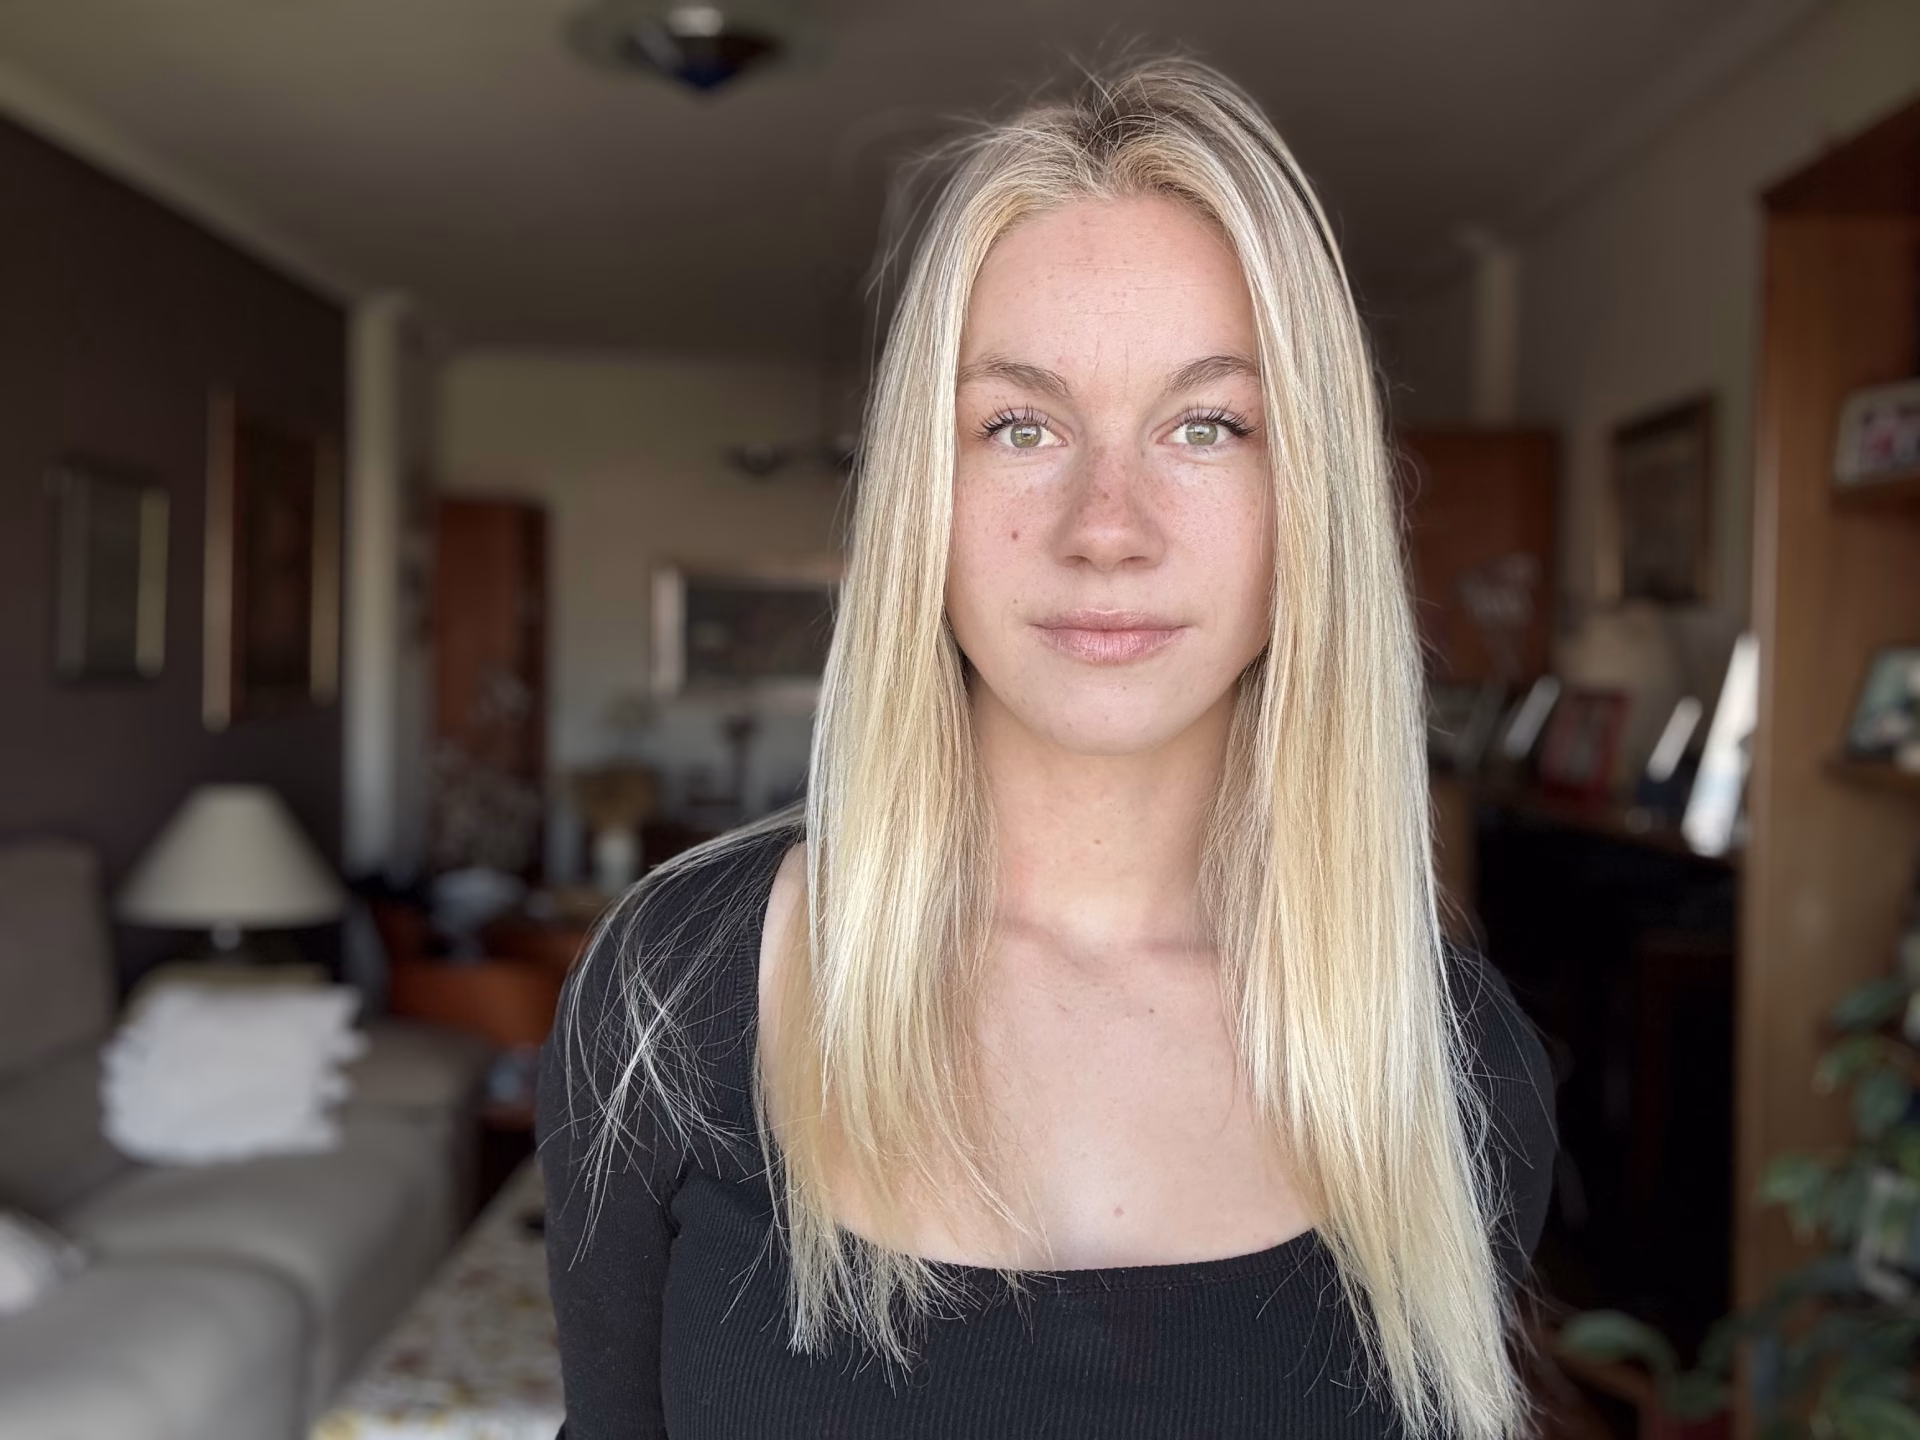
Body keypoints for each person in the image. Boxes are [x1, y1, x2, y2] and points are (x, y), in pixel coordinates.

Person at [537, 58, 1557, 1440]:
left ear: (1306, 498)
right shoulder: (678, 998)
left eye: (1208, 425)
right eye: (1020, 425)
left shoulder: (1450, 1066)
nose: (1107, 526)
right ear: (924, 494)